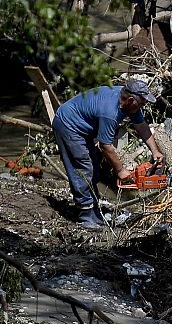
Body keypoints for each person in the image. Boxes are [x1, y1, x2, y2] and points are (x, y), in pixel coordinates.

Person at [52, 77, 165, 228]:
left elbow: (141, 125)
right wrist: (121, 170)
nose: (142, 108)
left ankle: (94, 209)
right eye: (141, 103)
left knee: (94, 169)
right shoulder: (110, 112)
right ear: (131, 100)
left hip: (83, 127)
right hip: (68, 124)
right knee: (83, 168)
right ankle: (85, 214)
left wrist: (155, 151)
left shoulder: (127, 101)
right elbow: (106, 146)